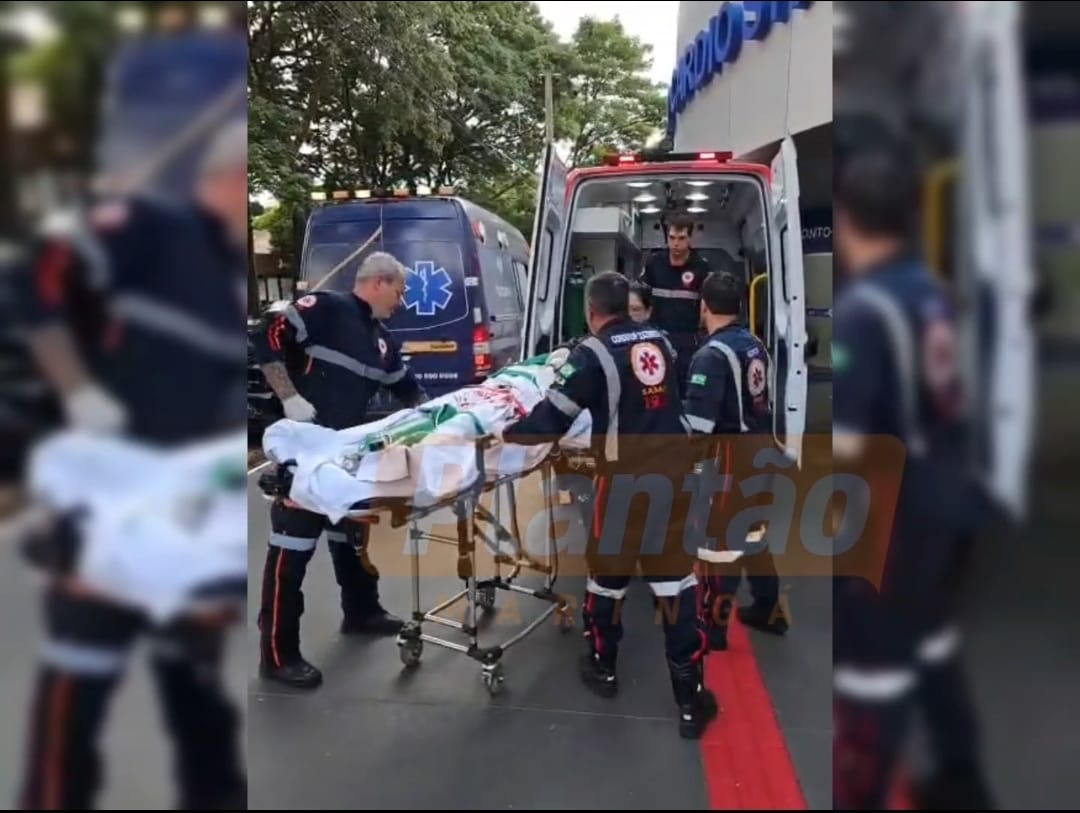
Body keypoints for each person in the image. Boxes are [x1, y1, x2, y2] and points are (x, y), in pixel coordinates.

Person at [14, 120, 249, 810]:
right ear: (227, 180)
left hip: (191, 521)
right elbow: (37, 278)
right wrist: (76, 389)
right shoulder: (153, 226)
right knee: (79, 681)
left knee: (197, 693)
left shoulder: (228, 277)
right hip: (110, 505)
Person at [831, 146, 993, 809]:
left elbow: (850, 448)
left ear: (848, 219)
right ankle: (962, 774)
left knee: (874, 672)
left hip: (899, 516)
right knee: (933, 640)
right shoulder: (933, 293)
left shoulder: (864, 311)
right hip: (952, 496)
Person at [500, 271, 717, 739]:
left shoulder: (591, 353)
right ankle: (689, 699)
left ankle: (603, 666)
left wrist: (510, 434)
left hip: (624, 485)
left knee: (607, 581)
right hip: (675, 479)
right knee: (676, 583)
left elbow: (553, 416)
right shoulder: (661, 340)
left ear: (591, 311)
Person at [251, 252, 427, 690]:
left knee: (352, 538)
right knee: (291, 552)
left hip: (345, 457)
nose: (401, 301)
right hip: (305, 456)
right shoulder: (328, 308)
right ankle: (277, 656)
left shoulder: (381, 340)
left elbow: (406, 387)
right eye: (399, 291)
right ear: (379, 282)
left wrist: (440, 416)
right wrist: (289, 397)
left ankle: (362, 611)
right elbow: (267, 332)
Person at [681, 271, 788, 651]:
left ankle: (713, 628)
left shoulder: (710, 355)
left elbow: (698, 427)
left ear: (704, 306)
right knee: (753, 533)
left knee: (719, 544)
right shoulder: (755, 344)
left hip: (729, 454)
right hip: (762, 446)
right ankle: (769, 609)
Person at [637, 213, 711, 394]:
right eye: (672, 238)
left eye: (681, 238)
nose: (676, 244)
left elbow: (707, 306)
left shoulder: (701, 267)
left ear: (690, 238)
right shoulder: (654, 263)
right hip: (656, 337)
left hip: (688, 340)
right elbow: (640, 296)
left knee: (684, 388)